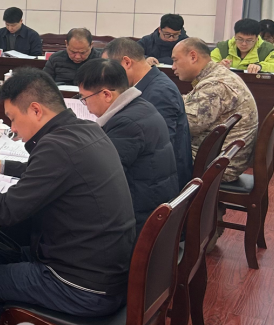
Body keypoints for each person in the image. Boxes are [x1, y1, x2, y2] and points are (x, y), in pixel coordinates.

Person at [0, 68, 134, 325]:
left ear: (36, 110)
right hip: (105, 272)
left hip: (82, 287)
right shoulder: (85, 129)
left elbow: (8, 210)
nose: (13, 128)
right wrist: (4, 166)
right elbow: (53, 172)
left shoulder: (56, 146)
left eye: (13, 118)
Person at [75, 58, 178, 234]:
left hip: (137, 222)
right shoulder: (141, 106)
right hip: (150, 205)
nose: (84, 104)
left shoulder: (127, 124)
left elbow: (99, 179)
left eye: (84, 98)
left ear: (106, 95)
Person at [103, 38, 193, 190]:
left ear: (126, 62)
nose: (106, 76)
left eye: (109, 69)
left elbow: (160, 147)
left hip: (159, 184)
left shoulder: (159, 92)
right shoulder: (152, 83)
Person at [172, 38, 257, 183]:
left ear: (193, 57)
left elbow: (187, 126)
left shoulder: (215, 85)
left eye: (175, 60)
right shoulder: (217, 75)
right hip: (221, 157)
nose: (173, 67)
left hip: (218, 165)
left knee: (150, 153)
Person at [210, 18, 274, 74]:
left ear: (257, 38)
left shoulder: (266, 49)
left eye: (249, 40)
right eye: (240, 39)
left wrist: (260, 66)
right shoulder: (224, 47)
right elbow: (207, 63)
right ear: (235, 36)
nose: (244, 44)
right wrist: (218, 65)